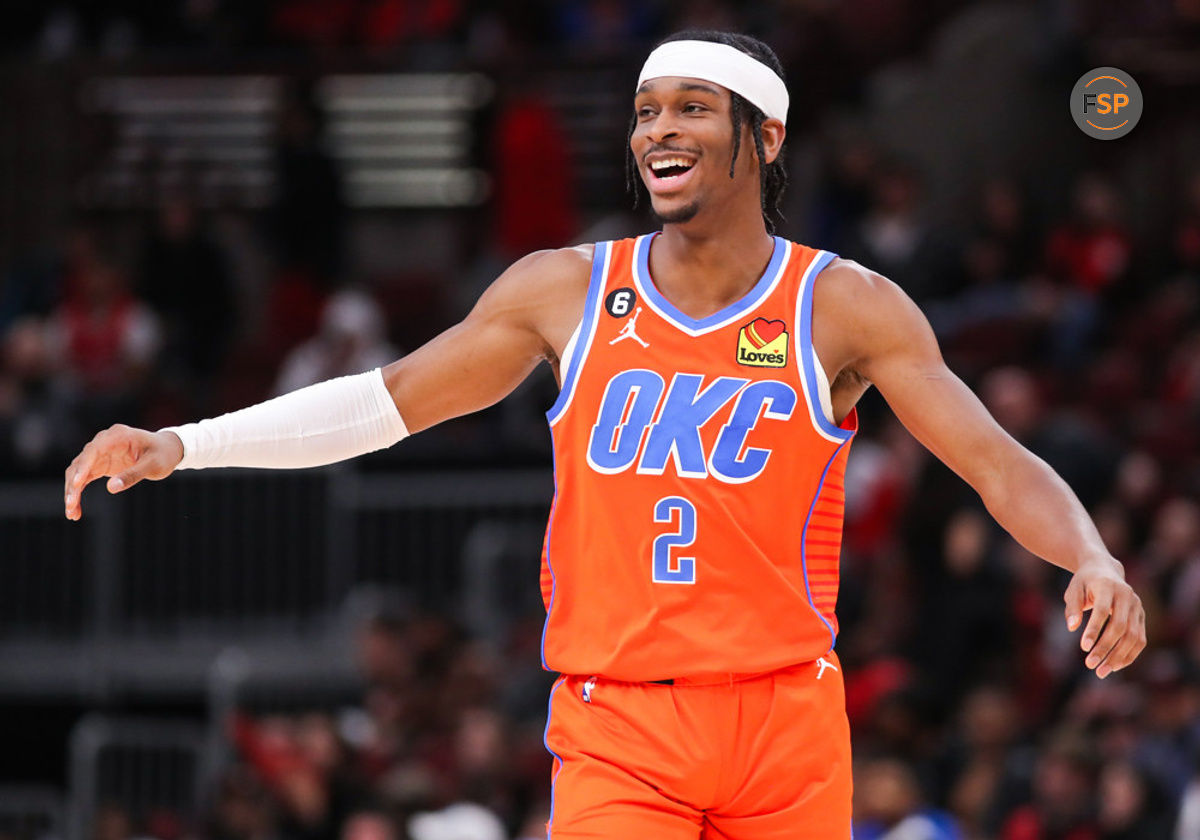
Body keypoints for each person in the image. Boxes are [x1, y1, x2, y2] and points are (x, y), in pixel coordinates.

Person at [63, 30, 1146, 839]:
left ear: (762, 137)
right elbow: (382, 402)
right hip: (622, 725)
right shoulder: (567, 292)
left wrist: (1091, 554)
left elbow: (997, 462)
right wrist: (185, 443)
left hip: (789, 721)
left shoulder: (846, 307)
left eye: (689, 109)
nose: (657, 131)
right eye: (643, 111)